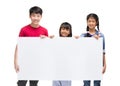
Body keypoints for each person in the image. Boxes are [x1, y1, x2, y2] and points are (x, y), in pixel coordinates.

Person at [14, 6, 48, 86]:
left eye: (38, 16)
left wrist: (46, 39)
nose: (36, 18)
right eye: (33, 15)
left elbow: (47, 48)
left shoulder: (44, 30)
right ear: (29, 16)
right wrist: (15, 61)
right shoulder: (24, 29)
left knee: (34, 83)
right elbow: (18, 46)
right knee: (21, 83)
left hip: (36, 62)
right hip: (24, 61)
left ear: (41, 17)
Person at [80, 13, 106, 86]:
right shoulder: (83, 35)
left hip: (97, 62)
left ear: (96, 22)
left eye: (93, 21)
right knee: (86, 83)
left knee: (97, 83)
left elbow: (103, 51)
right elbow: (79, 47)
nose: (91, 23)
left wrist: (104, 65)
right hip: (86, 63)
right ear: (87, 22)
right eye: (89, 21)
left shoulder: (101, 35)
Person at [52, 22, 72, 86]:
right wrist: (49, 39)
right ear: (60, 30)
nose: (64, 31)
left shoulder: (72, 41)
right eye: (63, 29)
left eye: (67, 29)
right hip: (56, 69)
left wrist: (77, 39)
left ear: (69, 32)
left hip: (67, 70)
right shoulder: (56, 41)